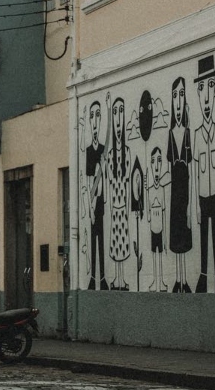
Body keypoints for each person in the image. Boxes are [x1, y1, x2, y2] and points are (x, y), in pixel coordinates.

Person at [193, 56, 215, 293]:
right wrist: (196, 203)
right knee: (204, 236)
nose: (206, 97)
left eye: (210, 87)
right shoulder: (197, 134)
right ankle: (203, 276)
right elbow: (196, 170)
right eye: (201, 89)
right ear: (197, 93)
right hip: (203, 194)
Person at [168, 77, 193, 293]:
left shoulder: (187, 132)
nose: (178, 100)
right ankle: (177, 278)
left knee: (184, 235)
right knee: (175, 235)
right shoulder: (170, 133)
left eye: (181, 94)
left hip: (185, 190)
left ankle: (185, 279)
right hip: (174, 192)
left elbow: (191, 167)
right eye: (175, 95)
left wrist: (192, 206)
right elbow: (169, 167)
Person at [106, 95, 132, 291]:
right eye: (115, 112)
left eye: (121, 111)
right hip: (114, 208)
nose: (118, 117)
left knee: (123, 244)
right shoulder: (110, 155)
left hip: (123, 207)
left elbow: (129, 180)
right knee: (115, 245)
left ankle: (122, 278)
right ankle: (117, 278)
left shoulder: (127, 153)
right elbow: (107, 182)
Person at [81, 101, 108, 290]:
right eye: (92, 115)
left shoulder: (103, 149)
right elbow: (88, 180)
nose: (95, 120)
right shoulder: (89, 151)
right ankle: (92, 277)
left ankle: (103, 277)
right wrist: (88, 208)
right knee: (92, 241)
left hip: (102, 202)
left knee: (102, 239)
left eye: (98, 115)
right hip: (92, 202)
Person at [146, 146, 170, 292]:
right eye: (154, 161)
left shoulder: (161, 189)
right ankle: (155, 280)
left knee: (160, 255)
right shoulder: (149, 190)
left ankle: (161, 281)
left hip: (160, 228)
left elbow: (164, 211)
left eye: (159, 160)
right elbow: (148, 215)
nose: (156, 165)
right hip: (153, 229)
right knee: (154, 255)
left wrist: (166, 238)